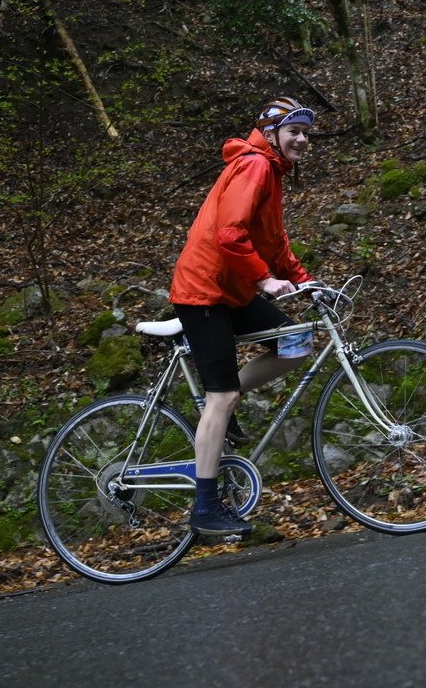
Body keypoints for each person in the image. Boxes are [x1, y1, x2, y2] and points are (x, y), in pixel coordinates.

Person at [168, 96, 318, 538]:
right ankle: (205, 507)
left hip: (231, 291)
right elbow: (229, 234)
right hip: (204, 292)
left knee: (296, 343)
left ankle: (226, 404)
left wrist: (307, 282)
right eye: (294, 131)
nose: (302, 140)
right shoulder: (255, 165)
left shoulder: (270, 170)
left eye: (306, 133)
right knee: (222, 396)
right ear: (271, 134)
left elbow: (274, 242)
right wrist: (266, 280)